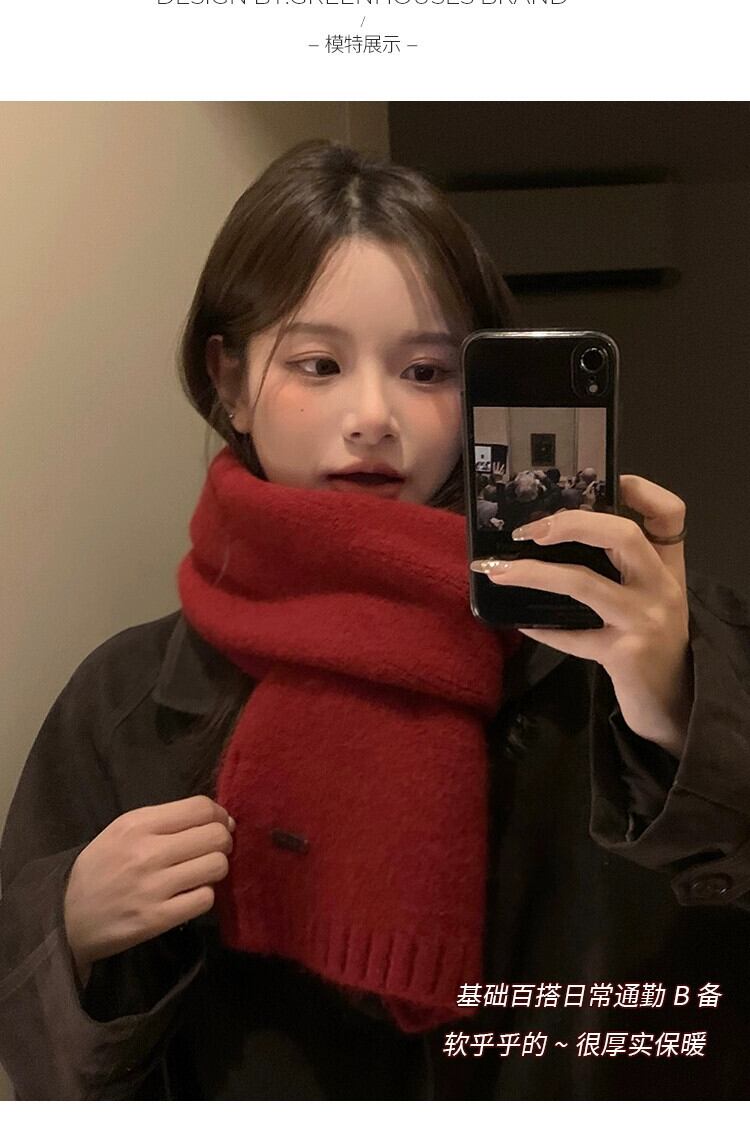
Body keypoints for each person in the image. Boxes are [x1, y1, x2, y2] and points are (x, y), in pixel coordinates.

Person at [1, 140, 750, 1102]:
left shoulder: (627, 648)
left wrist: (684, 709)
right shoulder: (128, 698)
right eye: (317, 364)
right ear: (229, 380)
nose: (372, 415)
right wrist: (64, 927)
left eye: (427, 371)